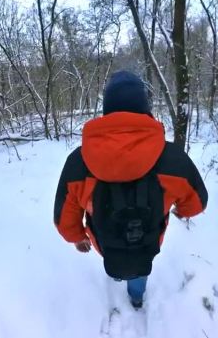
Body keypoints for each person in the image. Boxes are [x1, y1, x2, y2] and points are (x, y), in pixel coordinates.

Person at [53, 70, 208, 309]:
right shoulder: (173, 159)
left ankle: (116, 272)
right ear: (145, 108)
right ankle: (136, 295)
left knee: (114, 251)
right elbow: (196, 202)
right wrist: (180, 210)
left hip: (105, 240)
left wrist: (77, 237)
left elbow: (65, 218)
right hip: (148, 239)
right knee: (139, 264)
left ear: (107, 110)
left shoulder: (78, 162)